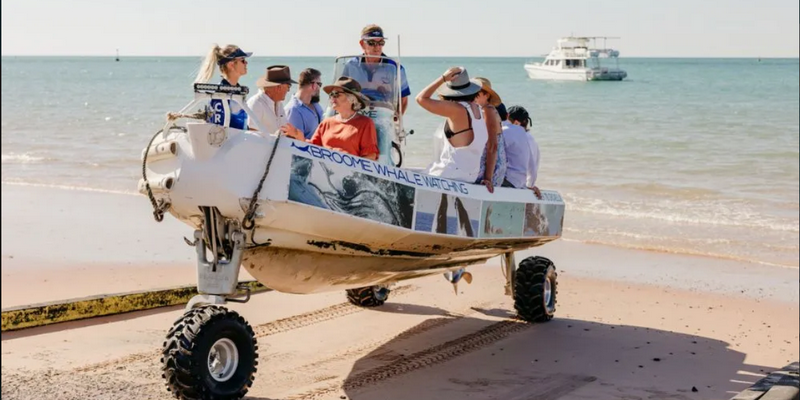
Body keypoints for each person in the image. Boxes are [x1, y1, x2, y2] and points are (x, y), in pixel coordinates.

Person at [416, 67, 497, 193]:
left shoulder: (457, 110)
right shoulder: (479, 110)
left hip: (447, 177)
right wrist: (488, 178)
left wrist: (442, 79)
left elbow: (421, 99)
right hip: (469, 177)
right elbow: (492, 147)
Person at [283, 77, 379, 160]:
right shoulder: (327, 122)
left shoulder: (365, 123)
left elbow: (370, 156)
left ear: (352, 98)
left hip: (349, 177)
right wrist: (300, 138)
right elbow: (313, 148)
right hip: (324, 174)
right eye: (331, 94)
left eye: (336, 94)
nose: (332, 97)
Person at [341, 24, 411, 113]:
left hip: (383, 117)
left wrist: (395, 120)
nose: (377, 47)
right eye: (372, 43)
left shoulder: (395, 67)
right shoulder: (350, 65)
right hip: (356, 114)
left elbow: (403, 99)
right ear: (362, 44)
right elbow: (342, 93)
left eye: (381, 43)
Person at [194, 44, 252, 130]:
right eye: (242, 60)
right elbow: (218, 131)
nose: (246, 63)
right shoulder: (221, 94)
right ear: (231, 65)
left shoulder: (237, 90)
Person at [472, 77, 507, 188]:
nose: (472, 96)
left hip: (493, 169)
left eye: (476, 93)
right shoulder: (482, 110)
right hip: (489, 164)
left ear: (486, 95)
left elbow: (493, 146)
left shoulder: (488, 110)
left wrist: (488, 178)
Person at [502, 105, 542, 198]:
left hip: (509, 180)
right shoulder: (527, 137)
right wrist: (529, 186)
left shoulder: (506, 131)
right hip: (521, 182)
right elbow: (532, 166)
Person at [247, 65, 297, 135]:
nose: (288, 90)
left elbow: (285, 130)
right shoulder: (256, 103)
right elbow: (252, 135)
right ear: (278, 87)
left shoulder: (279, 104)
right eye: (288, 86)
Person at [284, 68, 325, 139]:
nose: (319, 88)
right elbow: (295, 143)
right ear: (314, 85)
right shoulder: (293, 110)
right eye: (319, 84)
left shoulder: (315, 105)